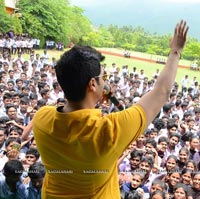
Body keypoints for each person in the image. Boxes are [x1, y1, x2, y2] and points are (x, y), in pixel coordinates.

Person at [32, 20, 188, 198]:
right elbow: (161, 92)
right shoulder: (109, 131)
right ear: (92, 84)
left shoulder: (42, 118)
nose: (105, 81)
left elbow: (68, 107)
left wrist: (93, 96)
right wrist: (176, 51)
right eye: (103, 76)